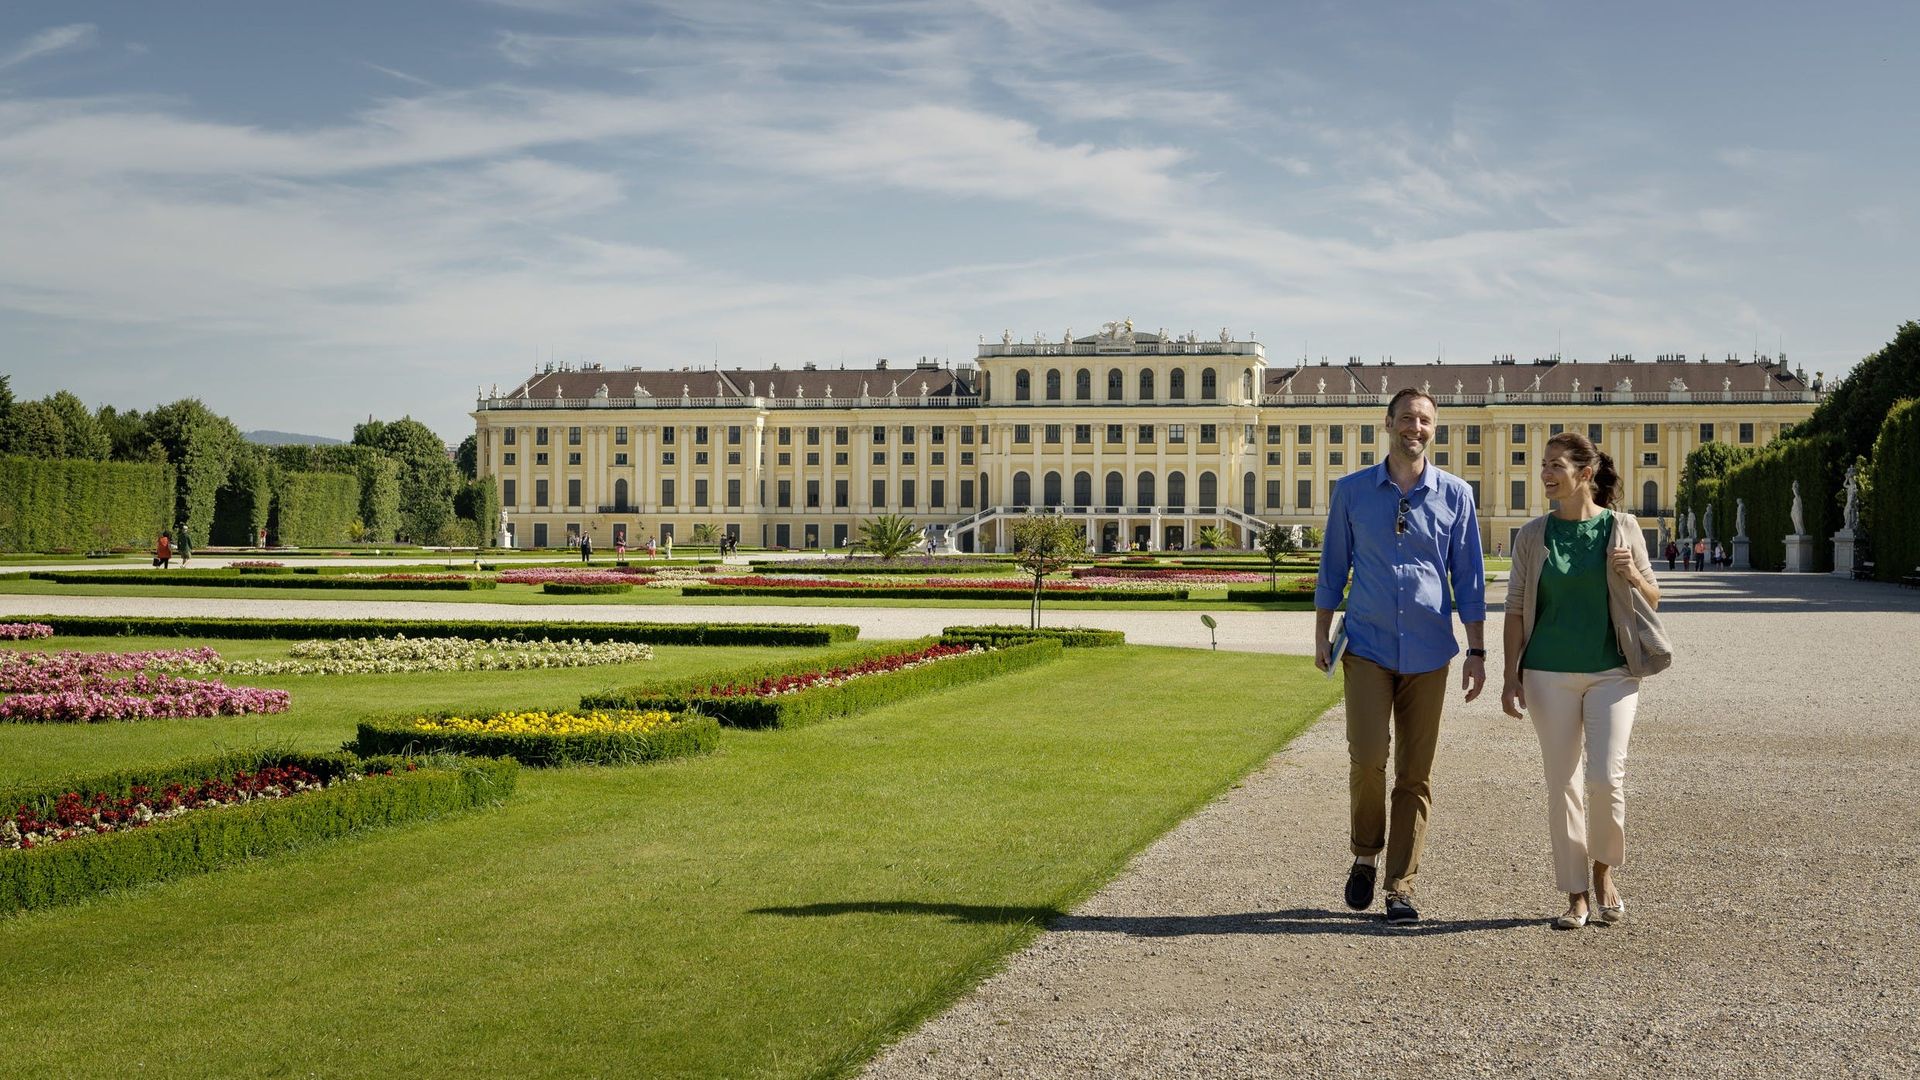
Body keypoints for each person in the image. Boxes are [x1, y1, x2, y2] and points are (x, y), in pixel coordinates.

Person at [1315, 388, 1487, 927]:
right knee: (1367, 758)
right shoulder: (1353, 492)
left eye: (1426, 420)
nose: (1416, 427)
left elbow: (1471, 581)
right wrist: (1321, 634)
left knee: (1415, 772)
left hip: (1430, 652)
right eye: (1407, 418)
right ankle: (1365, 855)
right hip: (1365, 647)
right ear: (1387, 424)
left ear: (1434, 429)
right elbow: (1331, 569)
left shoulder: (1456, 494)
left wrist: (1478, 650)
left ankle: (1401, 887)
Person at [1501, 432, 1660, 930]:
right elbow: (1514, 609)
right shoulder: (1532, 535)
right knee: (1561, 783)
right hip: (1547, 672)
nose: (1545, 474)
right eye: (1543, 465)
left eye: (1555, 466)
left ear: (1584, 474)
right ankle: (1574, 894)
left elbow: (1654, 597)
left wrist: (1632, 575)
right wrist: (1511, 676)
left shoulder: (1623, 527)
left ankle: (1603, 873)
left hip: (1613, 671)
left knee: (1605, 779)